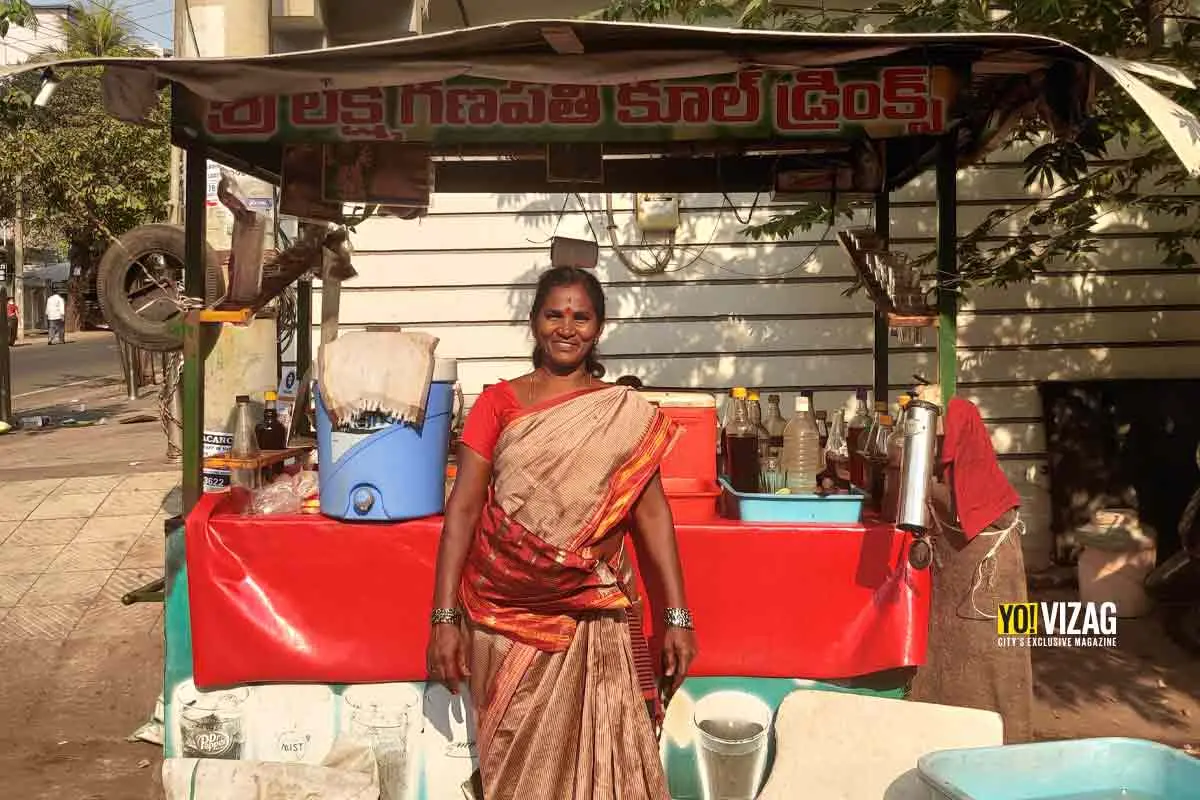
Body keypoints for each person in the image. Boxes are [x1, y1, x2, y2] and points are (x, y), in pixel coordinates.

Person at [426, 266, 696, 800]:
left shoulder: (624, 413)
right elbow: (462, 512)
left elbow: (652, 517)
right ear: (534, 322)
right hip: (503, 617)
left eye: (581, 316)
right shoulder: (497, 404)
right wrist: (443, 618)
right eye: (555, 314)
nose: (566, 328)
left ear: (598, 329)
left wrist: (677, 616)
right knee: (514, 763)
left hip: (594, 616)